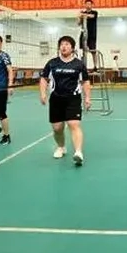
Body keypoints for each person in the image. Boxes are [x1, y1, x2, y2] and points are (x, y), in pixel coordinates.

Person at [39, 35, 91, 167]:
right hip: (56, 99)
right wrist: (43, 93)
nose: (64, 46)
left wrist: (87, 98)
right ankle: (61, 147)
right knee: (57, 128)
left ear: (72, 48)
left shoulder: (79, 64)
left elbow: (85, 81)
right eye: (62, 44)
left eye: (67, 44)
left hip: (73, 98)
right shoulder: (52, 63)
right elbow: (44, 79)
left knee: (74, 124)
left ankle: (78, 152)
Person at [78, 0, 99, 71]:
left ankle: (95, 66)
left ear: (92, 5)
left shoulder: (95, 12)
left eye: (89, 4)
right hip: (83, 34)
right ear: (85, 5)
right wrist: (79, 16)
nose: (88, 5)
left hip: (92, 34)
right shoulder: (82, 13)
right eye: (87, 4)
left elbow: (92, 16)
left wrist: (82, 15)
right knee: (82, 51)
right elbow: (78, 23)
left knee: (93, 51)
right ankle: (83, 66)